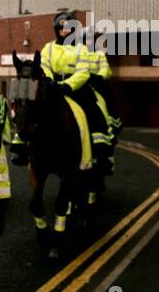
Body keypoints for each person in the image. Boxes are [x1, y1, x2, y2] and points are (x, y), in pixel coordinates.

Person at [40, 10, 113, 176]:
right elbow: (44, 66)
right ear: (57, 29)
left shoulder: (82, 49)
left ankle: (101, 152)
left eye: (69, 28)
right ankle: (21, 143)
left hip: (76, 88)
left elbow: (83, 72)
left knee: (94, 110)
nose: (65, 31)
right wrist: (51, 81)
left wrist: (67, 85)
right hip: (52, 87)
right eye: (62, 28)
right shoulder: (48, 48)